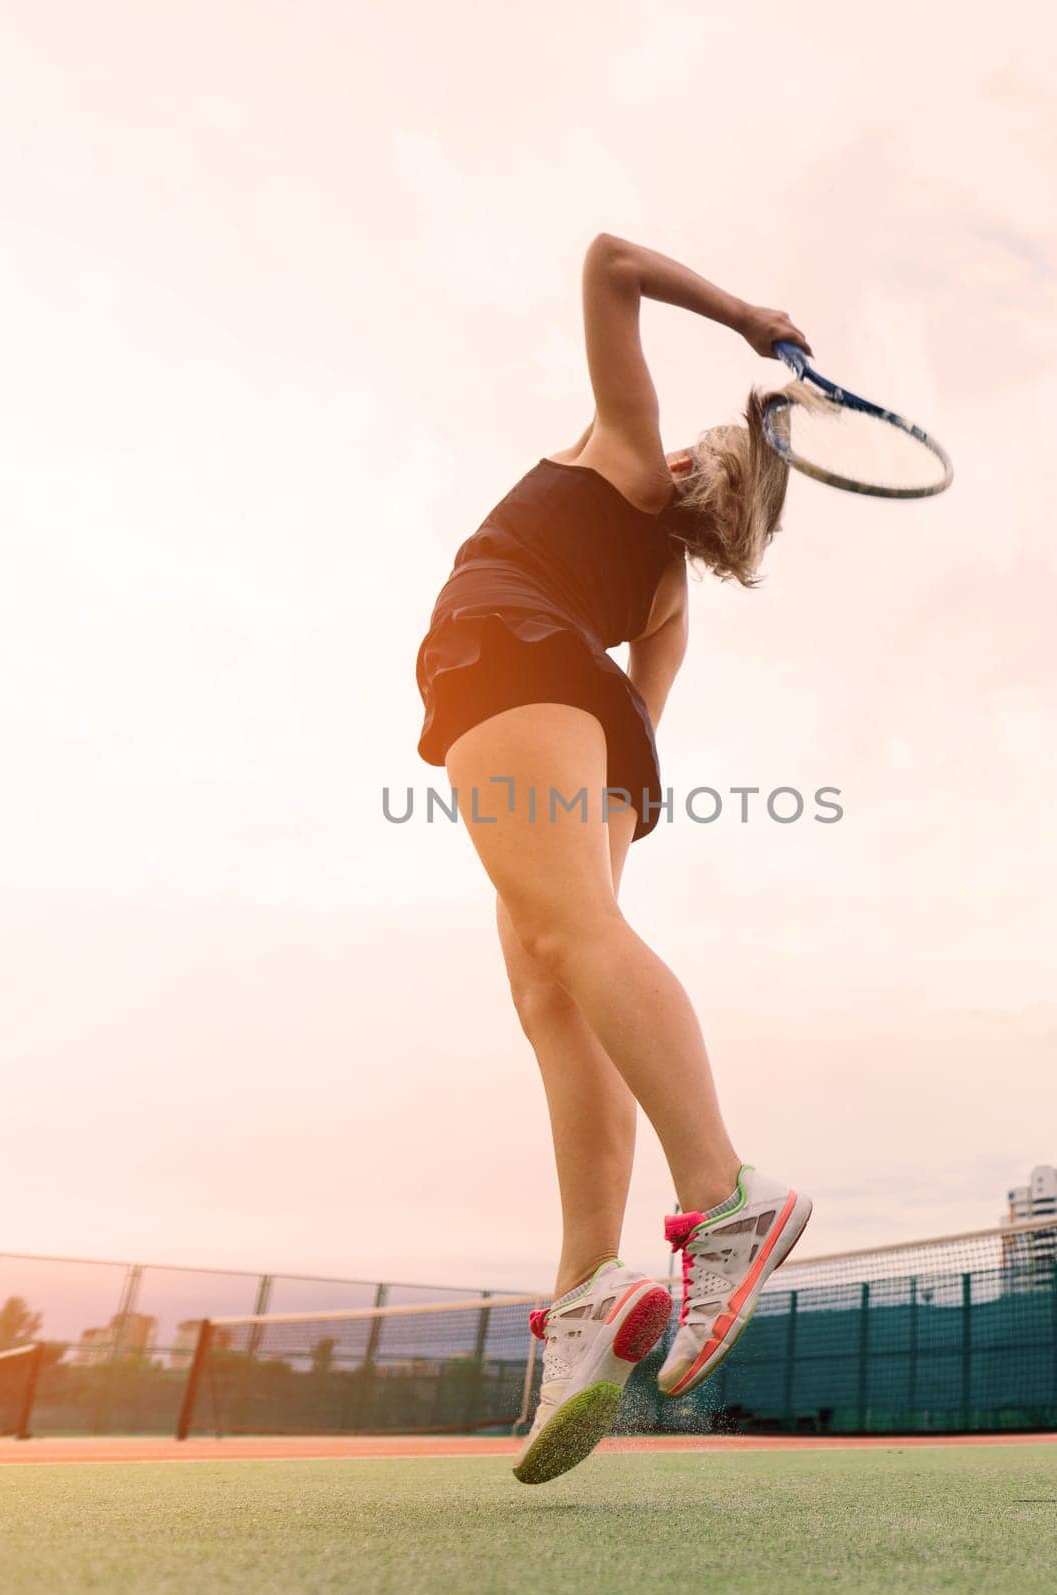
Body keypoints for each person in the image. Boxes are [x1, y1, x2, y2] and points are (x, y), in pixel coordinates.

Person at [414, 233, 826, 1484]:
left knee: (574, 948)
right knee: (558, 979)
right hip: (607, 740)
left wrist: (747, 312)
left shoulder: (627, 455)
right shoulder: (668, 597)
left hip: (509, 660)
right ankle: (590, 1285)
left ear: (702, 464)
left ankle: (726, 1190)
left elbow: (605, 263)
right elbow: (641, 725)